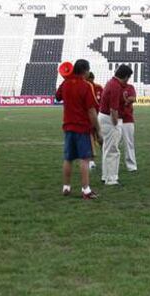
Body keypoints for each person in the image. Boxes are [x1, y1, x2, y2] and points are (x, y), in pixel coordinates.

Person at [55, 59, 102, 199]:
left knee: (68, 158)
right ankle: (86, 189)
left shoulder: (65, 83)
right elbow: (91, 111)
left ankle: (66, 187)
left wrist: (66, 81)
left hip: (68, 126)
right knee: (84, 159)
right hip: (82, 127)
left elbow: (57, 97)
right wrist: (98, 129)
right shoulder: (86, 86)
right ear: (86, 71)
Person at [98, 64, 133, 185]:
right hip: (110, 118)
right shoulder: (116, 86)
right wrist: (116, 124)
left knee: (107, 148)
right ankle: (111, 179)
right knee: (113, 149)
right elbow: (113, 109)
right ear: (126, 77)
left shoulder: (111, 82)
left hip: (104, 117)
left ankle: (106, 176)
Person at [86, 72, 103, 170]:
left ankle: (105, 158)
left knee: (101, 139)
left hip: (99, 117)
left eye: (90, 80)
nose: (89, 81)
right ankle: (91, 161)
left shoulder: (99, 88)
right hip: (89, 119)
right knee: (90, 140)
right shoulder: (85, 88)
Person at [121, 84, 137, 172]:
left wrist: (125, 101)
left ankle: (131, 166)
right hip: (115, 118)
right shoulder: (114, 86)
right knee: (112, 144)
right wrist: (127, 100)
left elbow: (133, 98)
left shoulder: (130, 87)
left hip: (127, 119)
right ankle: (110, 166)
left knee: (129, 143)